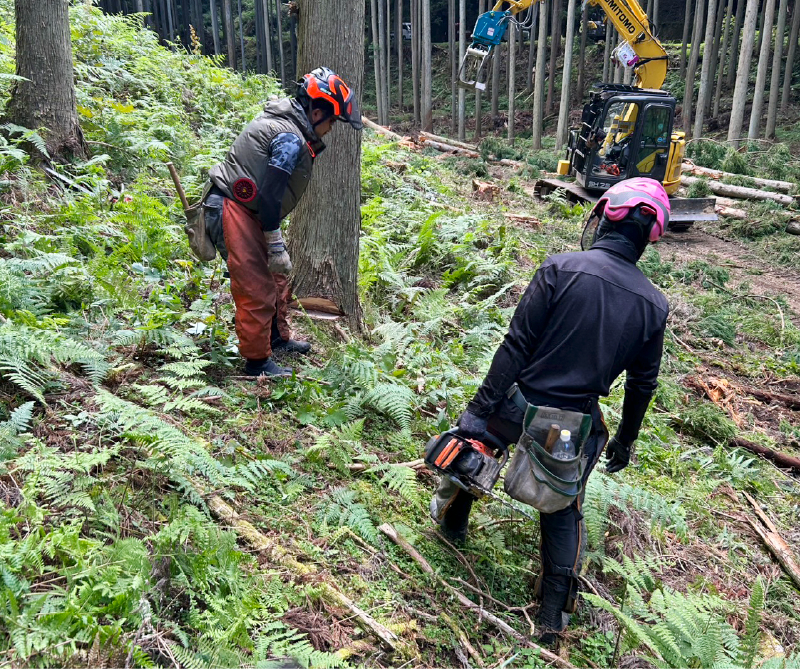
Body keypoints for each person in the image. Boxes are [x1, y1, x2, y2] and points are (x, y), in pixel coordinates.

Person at [429, 178, 670, 646]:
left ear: (605, 217)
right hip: (569, 424)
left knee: (477, 449)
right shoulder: (653, 305)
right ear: (649, 236)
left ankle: (453, 525)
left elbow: (516, 346)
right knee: (563, 506)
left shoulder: (560, 268)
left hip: (518, 402)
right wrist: (625, 439)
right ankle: (552, 616)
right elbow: (642, 384)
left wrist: (479, 410)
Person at [204, 67, 362, 377]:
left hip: (248, 210)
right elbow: (270, 194)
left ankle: (276, 339)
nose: (331, 128)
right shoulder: (289, 138)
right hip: (232, 207)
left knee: (276, 279)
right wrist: (275, 243)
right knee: (256, 285)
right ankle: (257, 363)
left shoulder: (290, 128)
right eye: (332, 121)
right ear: (316, 112)